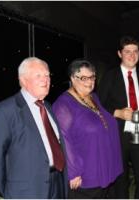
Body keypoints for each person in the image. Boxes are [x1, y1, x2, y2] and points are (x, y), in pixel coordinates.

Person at [0, 57, 68, 198]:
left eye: (47, 75)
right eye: (38, 75)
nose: (45, 80)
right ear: (23, 80)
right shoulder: (4, 111)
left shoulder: (47, 106)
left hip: (58, 183)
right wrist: (10, 191)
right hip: (27, 191)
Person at [52, 59, 123, 199]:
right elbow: (63, 139)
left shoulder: (93, 97)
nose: (89, 82)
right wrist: (73, 172)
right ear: (72, 78)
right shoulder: (63, 105)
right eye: (83, 78)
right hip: (85, 175)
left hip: (104, 167)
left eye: (92, 77)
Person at [97, 36, 139, 198]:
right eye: (127, 51)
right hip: (117, 136)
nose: (132, 55)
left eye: (135, 51)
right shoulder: (110, 76)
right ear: (119, 54)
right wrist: (118, 112)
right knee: (120, 182)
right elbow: (98, 105)